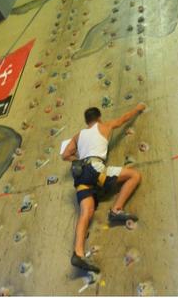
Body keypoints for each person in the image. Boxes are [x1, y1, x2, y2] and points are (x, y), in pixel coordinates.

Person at [61, 103, 146, 273]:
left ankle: (78, 253)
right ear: (99, 118)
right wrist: (138, 109)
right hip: (95, 169)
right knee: (134, 175)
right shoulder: (105, 126)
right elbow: (123, 120)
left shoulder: (79, 135)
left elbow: (65, 155)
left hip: (81, 177)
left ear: (87, 122)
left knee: (86, 212)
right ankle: (116, 209)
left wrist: (80, 157)